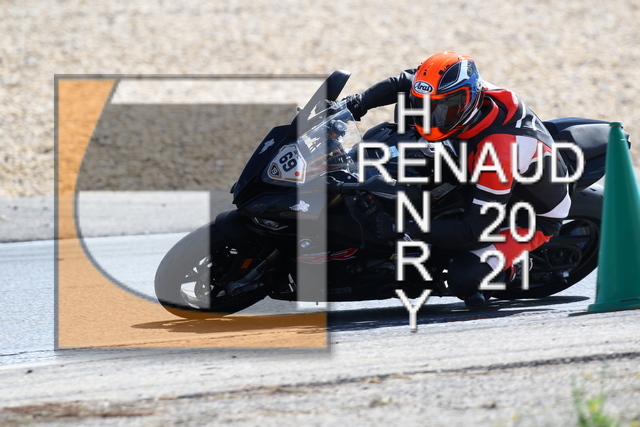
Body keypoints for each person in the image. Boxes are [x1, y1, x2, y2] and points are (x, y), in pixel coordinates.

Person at [344, 51, 571, 307]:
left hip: (528, 214)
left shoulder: (498, 153)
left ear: (467, 101)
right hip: (479, 165)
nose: (429, 116)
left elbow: (473, 229)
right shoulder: (464, 91)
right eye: (425, 105)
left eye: (441, 109)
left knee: (463, 278)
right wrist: (355, 104)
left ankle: (516, 266)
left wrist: (405, 229)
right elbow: (403, 81)